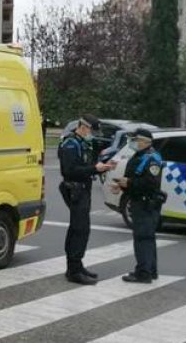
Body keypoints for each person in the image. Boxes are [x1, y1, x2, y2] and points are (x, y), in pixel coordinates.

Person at [58, 116, 113, 285]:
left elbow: (86, 166)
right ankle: (73, 270)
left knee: (82, 229)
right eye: (91, 130)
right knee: (79, 229)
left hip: (83, 189)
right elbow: (70, 170)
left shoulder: (83, 143)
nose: (93, 134)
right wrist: (93, 169)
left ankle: (77, 265)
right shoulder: (70, 144)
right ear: (83, 127)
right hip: (75, 189)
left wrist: (101, 167)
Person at [112, 128, 165, 283]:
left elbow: (150, 183)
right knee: (147, 238)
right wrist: (122, 186)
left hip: (145, 203)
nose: (132, 143)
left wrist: (128, 182)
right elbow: (135, 176)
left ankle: (143, 273)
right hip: (139, 201)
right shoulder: (141, 155)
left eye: (134, 140)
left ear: (144, 142)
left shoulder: (152, 158)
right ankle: (150, 270)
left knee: (142, 238)